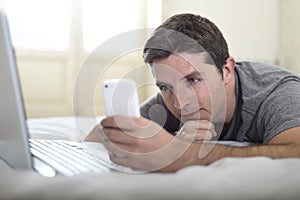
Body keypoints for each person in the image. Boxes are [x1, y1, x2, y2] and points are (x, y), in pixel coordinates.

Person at [85, 13, 300, 172]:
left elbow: (295, 152)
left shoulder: (278, 94)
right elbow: (95, 136)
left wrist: (181, 154)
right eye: (165, 87)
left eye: (193, 80)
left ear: (226, 71)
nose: (180, 103)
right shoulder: (167, 102)